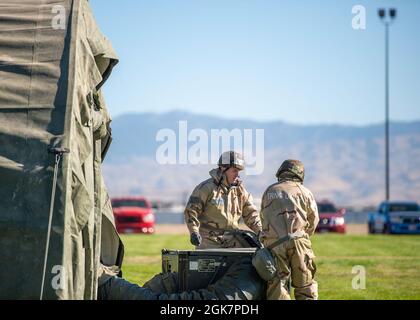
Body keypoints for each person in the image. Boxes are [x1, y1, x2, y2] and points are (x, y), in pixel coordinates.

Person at [259, 159, 319, 300]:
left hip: (274, 245)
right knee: (305, 285)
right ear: (299, 174)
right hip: (299, 243)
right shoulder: (305, 192)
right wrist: (303, 236)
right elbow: (314, 219)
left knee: (278, 285)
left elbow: (263, 218)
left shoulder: (269, 191)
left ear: (281, 172)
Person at [184, 151, 262, 249]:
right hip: (209, 243)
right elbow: (191, 211)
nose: (237, 174)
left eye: (239, 171)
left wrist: (261, 232)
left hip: (233, 243)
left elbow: (251, 214)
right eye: (234, 170)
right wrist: (194, 231)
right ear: (223, 169)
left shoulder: (240, 191)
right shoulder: (206, 188)